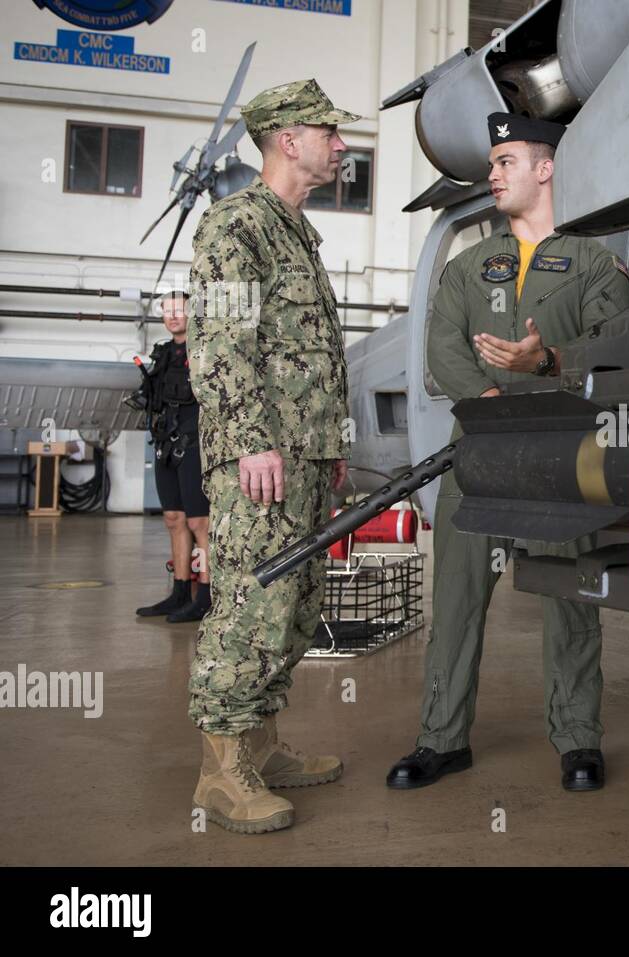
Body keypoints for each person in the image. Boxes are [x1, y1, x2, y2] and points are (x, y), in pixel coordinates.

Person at [386, 112, 629, 794]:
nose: (492, 175)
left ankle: (579, 739)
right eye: (491, 164)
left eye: (505, 161)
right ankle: (442, 738)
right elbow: (442, 350)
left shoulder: (594, 262)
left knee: (571, 599)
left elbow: (616, 347)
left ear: (545, 167)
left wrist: (548, 359)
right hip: (481, 455)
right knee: (457, 597)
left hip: (562, 458)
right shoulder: (468, 266)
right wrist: (493, 400)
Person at [185, 79, 357, 834]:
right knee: (250, 611)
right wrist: (251, 437)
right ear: (288, 139)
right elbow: (222, 343)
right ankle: (221, 775)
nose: (342, 143)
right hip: (259, 459)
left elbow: (314, 359)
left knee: (294, 609)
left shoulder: (297, 233)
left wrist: (333, 449)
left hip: (307, 459)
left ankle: (259, 743)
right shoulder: (237, 225)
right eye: (330, 131)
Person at [134, 288, 211, 623]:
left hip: (195, 446)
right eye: (167, 311)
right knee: (173, 520)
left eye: (180, 310)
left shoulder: (207, 352)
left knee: (200, 523)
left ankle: (206, 596)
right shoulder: (163, 354)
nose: (173, 316)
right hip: (166, 445)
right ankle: (179, 591)